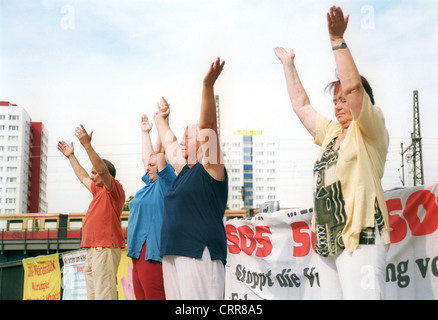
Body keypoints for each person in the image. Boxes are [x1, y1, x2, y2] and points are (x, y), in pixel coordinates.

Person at [274, 6, 390, 299]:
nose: (338, 104)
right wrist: (288, 64)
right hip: (327, 241)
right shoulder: (332, 133)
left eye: (343, 99)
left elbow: (353, 88)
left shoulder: (371, 130)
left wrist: (337, 40)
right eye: (334, 100)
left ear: (363, 102)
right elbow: (301, 106)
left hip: (360, 236)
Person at [153, 58, 228, 300]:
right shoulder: (185, 169)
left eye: (189, 136)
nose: (183, 140)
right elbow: (168, 141)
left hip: (199, 251)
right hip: (173, 251)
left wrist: (207, 85)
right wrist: (160, 118)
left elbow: (207, 126)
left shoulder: (211, 167)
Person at [57, 125, 125, 300]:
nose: (92, 176)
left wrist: (87, 145)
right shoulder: (97, 191)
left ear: (106, 176)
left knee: (104, 294)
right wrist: (71, 156)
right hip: (93, 249)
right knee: (94, 296)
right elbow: (82, 176)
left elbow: (101, 168)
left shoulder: (113, 190)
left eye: (95, 173)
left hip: (104, 248)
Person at [126, 99, 176, 300]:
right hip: (137, 254)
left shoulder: (166, 184)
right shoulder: (148, 186)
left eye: (153, 165)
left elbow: (161, 152)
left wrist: (164, 120)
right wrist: (145, 132)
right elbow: (148, 157)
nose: (148, 166)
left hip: (152, 254)